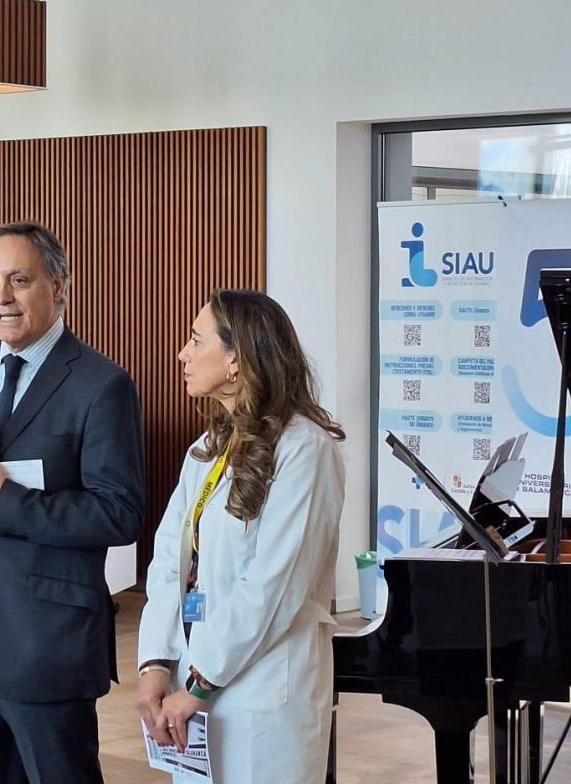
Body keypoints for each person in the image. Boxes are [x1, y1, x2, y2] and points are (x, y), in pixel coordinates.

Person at [0, 222, 145, 784]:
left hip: (47, 646)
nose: (2, 297)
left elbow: (120, 514)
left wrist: (9, 501)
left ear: (59, 285)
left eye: (19, 280)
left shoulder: (100, 384)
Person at [135, 290, 346, 782]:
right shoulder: (208, 449)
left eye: (195, 340)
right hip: (193, 689)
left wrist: (201, 684)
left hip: (262, 695)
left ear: (236, 359)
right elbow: (169, 561)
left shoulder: (306, 449)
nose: (182, 354)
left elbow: (274, 585)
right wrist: (155, 665)